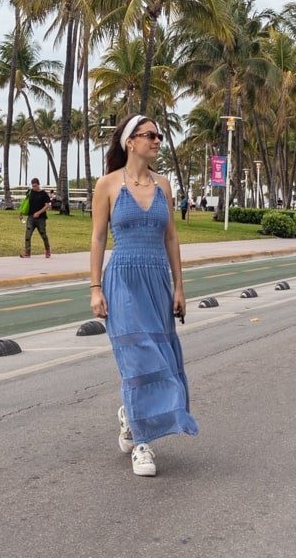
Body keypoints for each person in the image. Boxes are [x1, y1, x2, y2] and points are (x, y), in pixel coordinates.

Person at [89, 114, 198, 477]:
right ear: (130, 141)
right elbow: (98, 238)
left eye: (159, 135)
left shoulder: (163, 185)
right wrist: (95, 288)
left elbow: (171, 237)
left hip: (156, 281)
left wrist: (179, 286)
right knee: (137, 361)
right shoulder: (107, 185)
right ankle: (141, 443)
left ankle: (129, 415)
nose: (157, 141)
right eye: (150, 135)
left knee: (161, 359)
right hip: (122, 279)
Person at [20, 178, 52, 258]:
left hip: (41, 218)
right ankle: (27, 252)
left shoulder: (43, 194)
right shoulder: (30, 192)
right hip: (31, 217)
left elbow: (47, 206)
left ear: (38, 184)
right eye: (33, 186)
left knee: (43, 234)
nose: (34, 187)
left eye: (35, 186)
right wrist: (21, 212)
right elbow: (25, 203)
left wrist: (39, 213)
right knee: (28, 235)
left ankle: (47, 250)